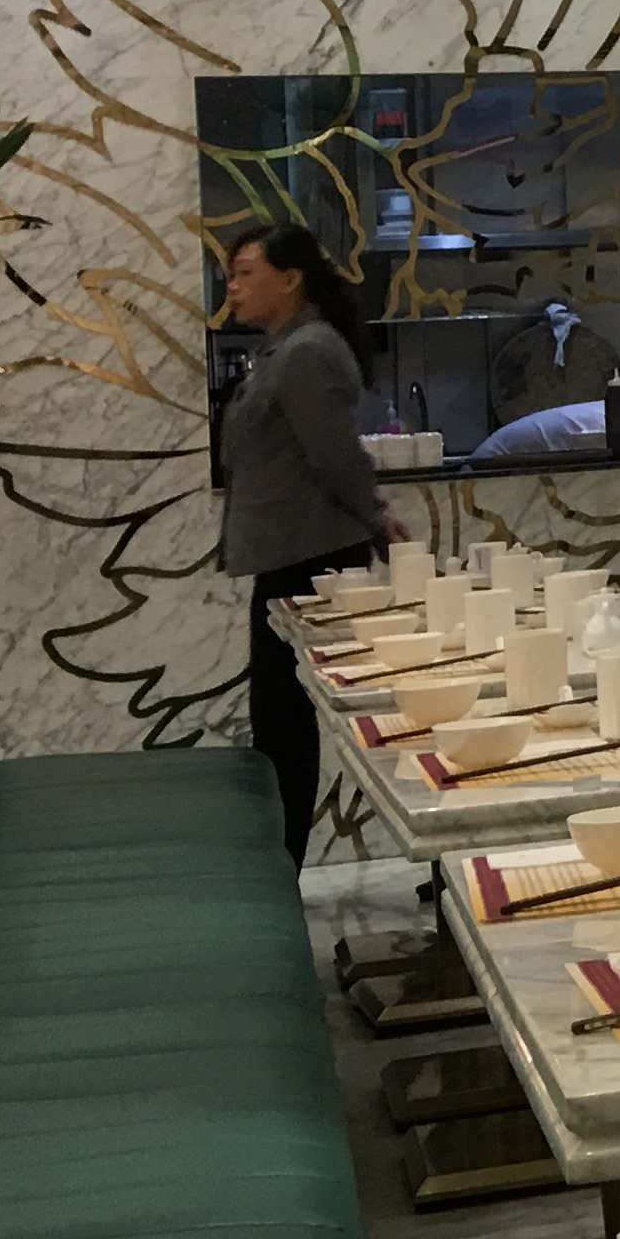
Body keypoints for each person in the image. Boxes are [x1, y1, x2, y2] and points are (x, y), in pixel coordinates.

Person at [220, 223, 392, 865]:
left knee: (285, 728)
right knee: (280, 724)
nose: (233, 288)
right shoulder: (287, 349)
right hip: (291, 555)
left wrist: (375, 516)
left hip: (311, 560)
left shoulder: (307, 351)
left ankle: (282, 868)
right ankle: (280, 865)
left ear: (291, 279)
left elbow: (335, 457)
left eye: (245, 273)